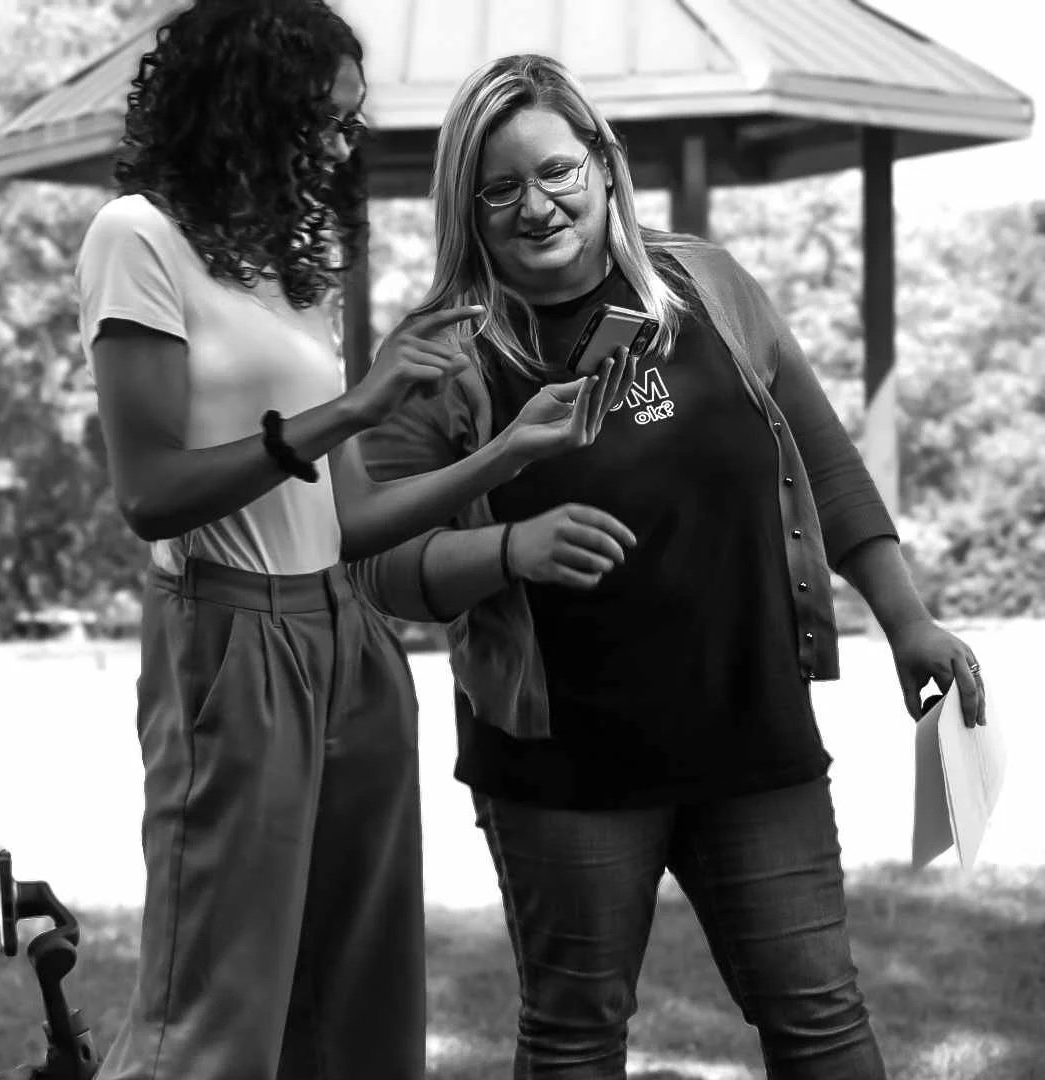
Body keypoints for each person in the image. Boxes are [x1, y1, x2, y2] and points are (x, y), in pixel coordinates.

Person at [351, 53, 988, 1080]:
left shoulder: (708, 285)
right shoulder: (438, 355)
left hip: (754, 734)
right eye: (500, 187)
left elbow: (825, 464)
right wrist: (512, 546)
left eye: (557, 170)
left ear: (604, 165)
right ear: (466, 208)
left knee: (822, 1019)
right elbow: (377, 564)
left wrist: (907, 617)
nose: (536, 205)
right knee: (575, 1035)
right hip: (563, 768)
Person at [75, 9, 631, 1079]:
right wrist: (354, 408)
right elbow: (149, 496)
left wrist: (506, 453)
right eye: (324, 120)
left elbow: (340, 522)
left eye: (349, 119)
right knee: (215, 1007)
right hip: (228, 637)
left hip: (349, 637)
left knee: (362, 999)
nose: (343, 142)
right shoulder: (136, 236)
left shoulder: (297, 262)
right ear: (250, 107)